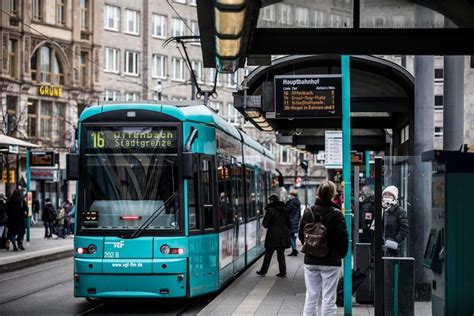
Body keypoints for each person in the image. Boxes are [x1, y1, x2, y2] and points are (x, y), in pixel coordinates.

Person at [299, 180, 349, 316]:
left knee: (311, 295)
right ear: (333, 194)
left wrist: (311, 247)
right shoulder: (337, 214)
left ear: (318, 193)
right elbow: (343, 239)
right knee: (328, 297)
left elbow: (301, 235)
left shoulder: (308, 211)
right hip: (331, 261)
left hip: (311, 259)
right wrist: (340, 255)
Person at [256, 195, 291, 277]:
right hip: (283, 235)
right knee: (281, 255)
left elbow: (265, 224)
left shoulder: (270, 210)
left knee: (268, 254)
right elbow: (289, 223)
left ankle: (263, 271)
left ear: (272, 201)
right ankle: (283, 272)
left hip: (272, 235)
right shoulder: (285, 210)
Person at [382, 186, 409, 256]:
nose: (387, 196)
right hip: (379, 247)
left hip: (392, 248)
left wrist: (394, 241)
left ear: (394, 197)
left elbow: (404, 229)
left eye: (390, 194)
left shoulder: (400, 211)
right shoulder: (381, 209)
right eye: (385, 194)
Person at [286, 189, 301, 256]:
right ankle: (293, 251)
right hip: (296, 220)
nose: (290, 196)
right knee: (293, 235)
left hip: (291, 221)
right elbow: (299, 213)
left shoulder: (292, 202)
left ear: (292, 195)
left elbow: (286, 210)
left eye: (290, 194)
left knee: (289, 235)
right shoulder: (297, 202)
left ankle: (294, 249)